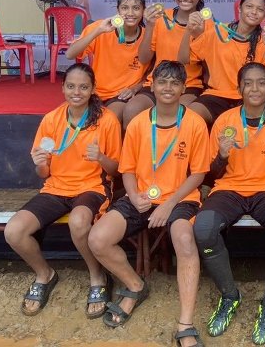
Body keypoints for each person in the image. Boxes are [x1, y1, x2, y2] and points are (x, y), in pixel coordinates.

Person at [87, 61, 210, 346]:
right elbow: (127, 169)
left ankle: (185, 323)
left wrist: (169, 204)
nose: (168, 88)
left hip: (180, 198)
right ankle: (135, 285)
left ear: (183, 88)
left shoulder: (194, 123)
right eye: (162, 82)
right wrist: (132, 195)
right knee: (97, 238)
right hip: (141, 196)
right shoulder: (139, 123)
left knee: (184, 239)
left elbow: (199, 174)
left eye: (174, 83)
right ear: (151, 86)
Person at [193, 62, 265, 345]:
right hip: (230, 189)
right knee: (203, 228)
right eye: (248, 83)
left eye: (261, 83)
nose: (254, 88)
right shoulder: (225, 120)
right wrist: (222, 156)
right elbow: (212, 174)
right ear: (239, 87)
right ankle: (230, 295)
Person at [4, 63, 121, 318]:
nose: (76, 92)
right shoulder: (52, 119)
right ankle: (44, 274)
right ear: (62, 88)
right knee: (14, 231)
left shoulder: (107, 120)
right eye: (71, 86)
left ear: (93, 89)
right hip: (56, 188)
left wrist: (101, 158)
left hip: (92, 186)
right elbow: (43, 173)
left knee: (79, 222)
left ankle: (98, 276)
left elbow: (117, 169)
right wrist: (40, 164)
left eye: (83, 87)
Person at [178, 0, 265, 127]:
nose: (254, 12)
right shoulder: (217, 32)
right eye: (249, 6)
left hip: (248, 98)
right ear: (239, 8)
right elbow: (183, 60)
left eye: (260, 9)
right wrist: (188, 30)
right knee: (189, 118)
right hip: (215, 96)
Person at [124, 0, 207, 127]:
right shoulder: (161, 18)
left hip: (188, 85)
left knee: (180, 115)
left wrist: (194, 31)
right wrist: (150, 25)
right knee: (131, 109)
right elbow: (144, 58)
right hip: (156, 83)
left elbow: (188, 60)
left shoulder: (206, 24)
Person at [65, 0, 147, 125]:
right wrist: (98, 31)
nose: (130, 13)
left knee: (107, 120)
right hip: (94, 93)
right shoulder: (101, 27)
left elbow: (150, 74)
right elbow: (70, 54)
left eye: (136, 8)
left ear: (143, 11)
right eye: (125, 8)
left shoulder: (147, 36)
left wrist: (135, 88)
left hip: (120, 96)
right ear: (118, 10)